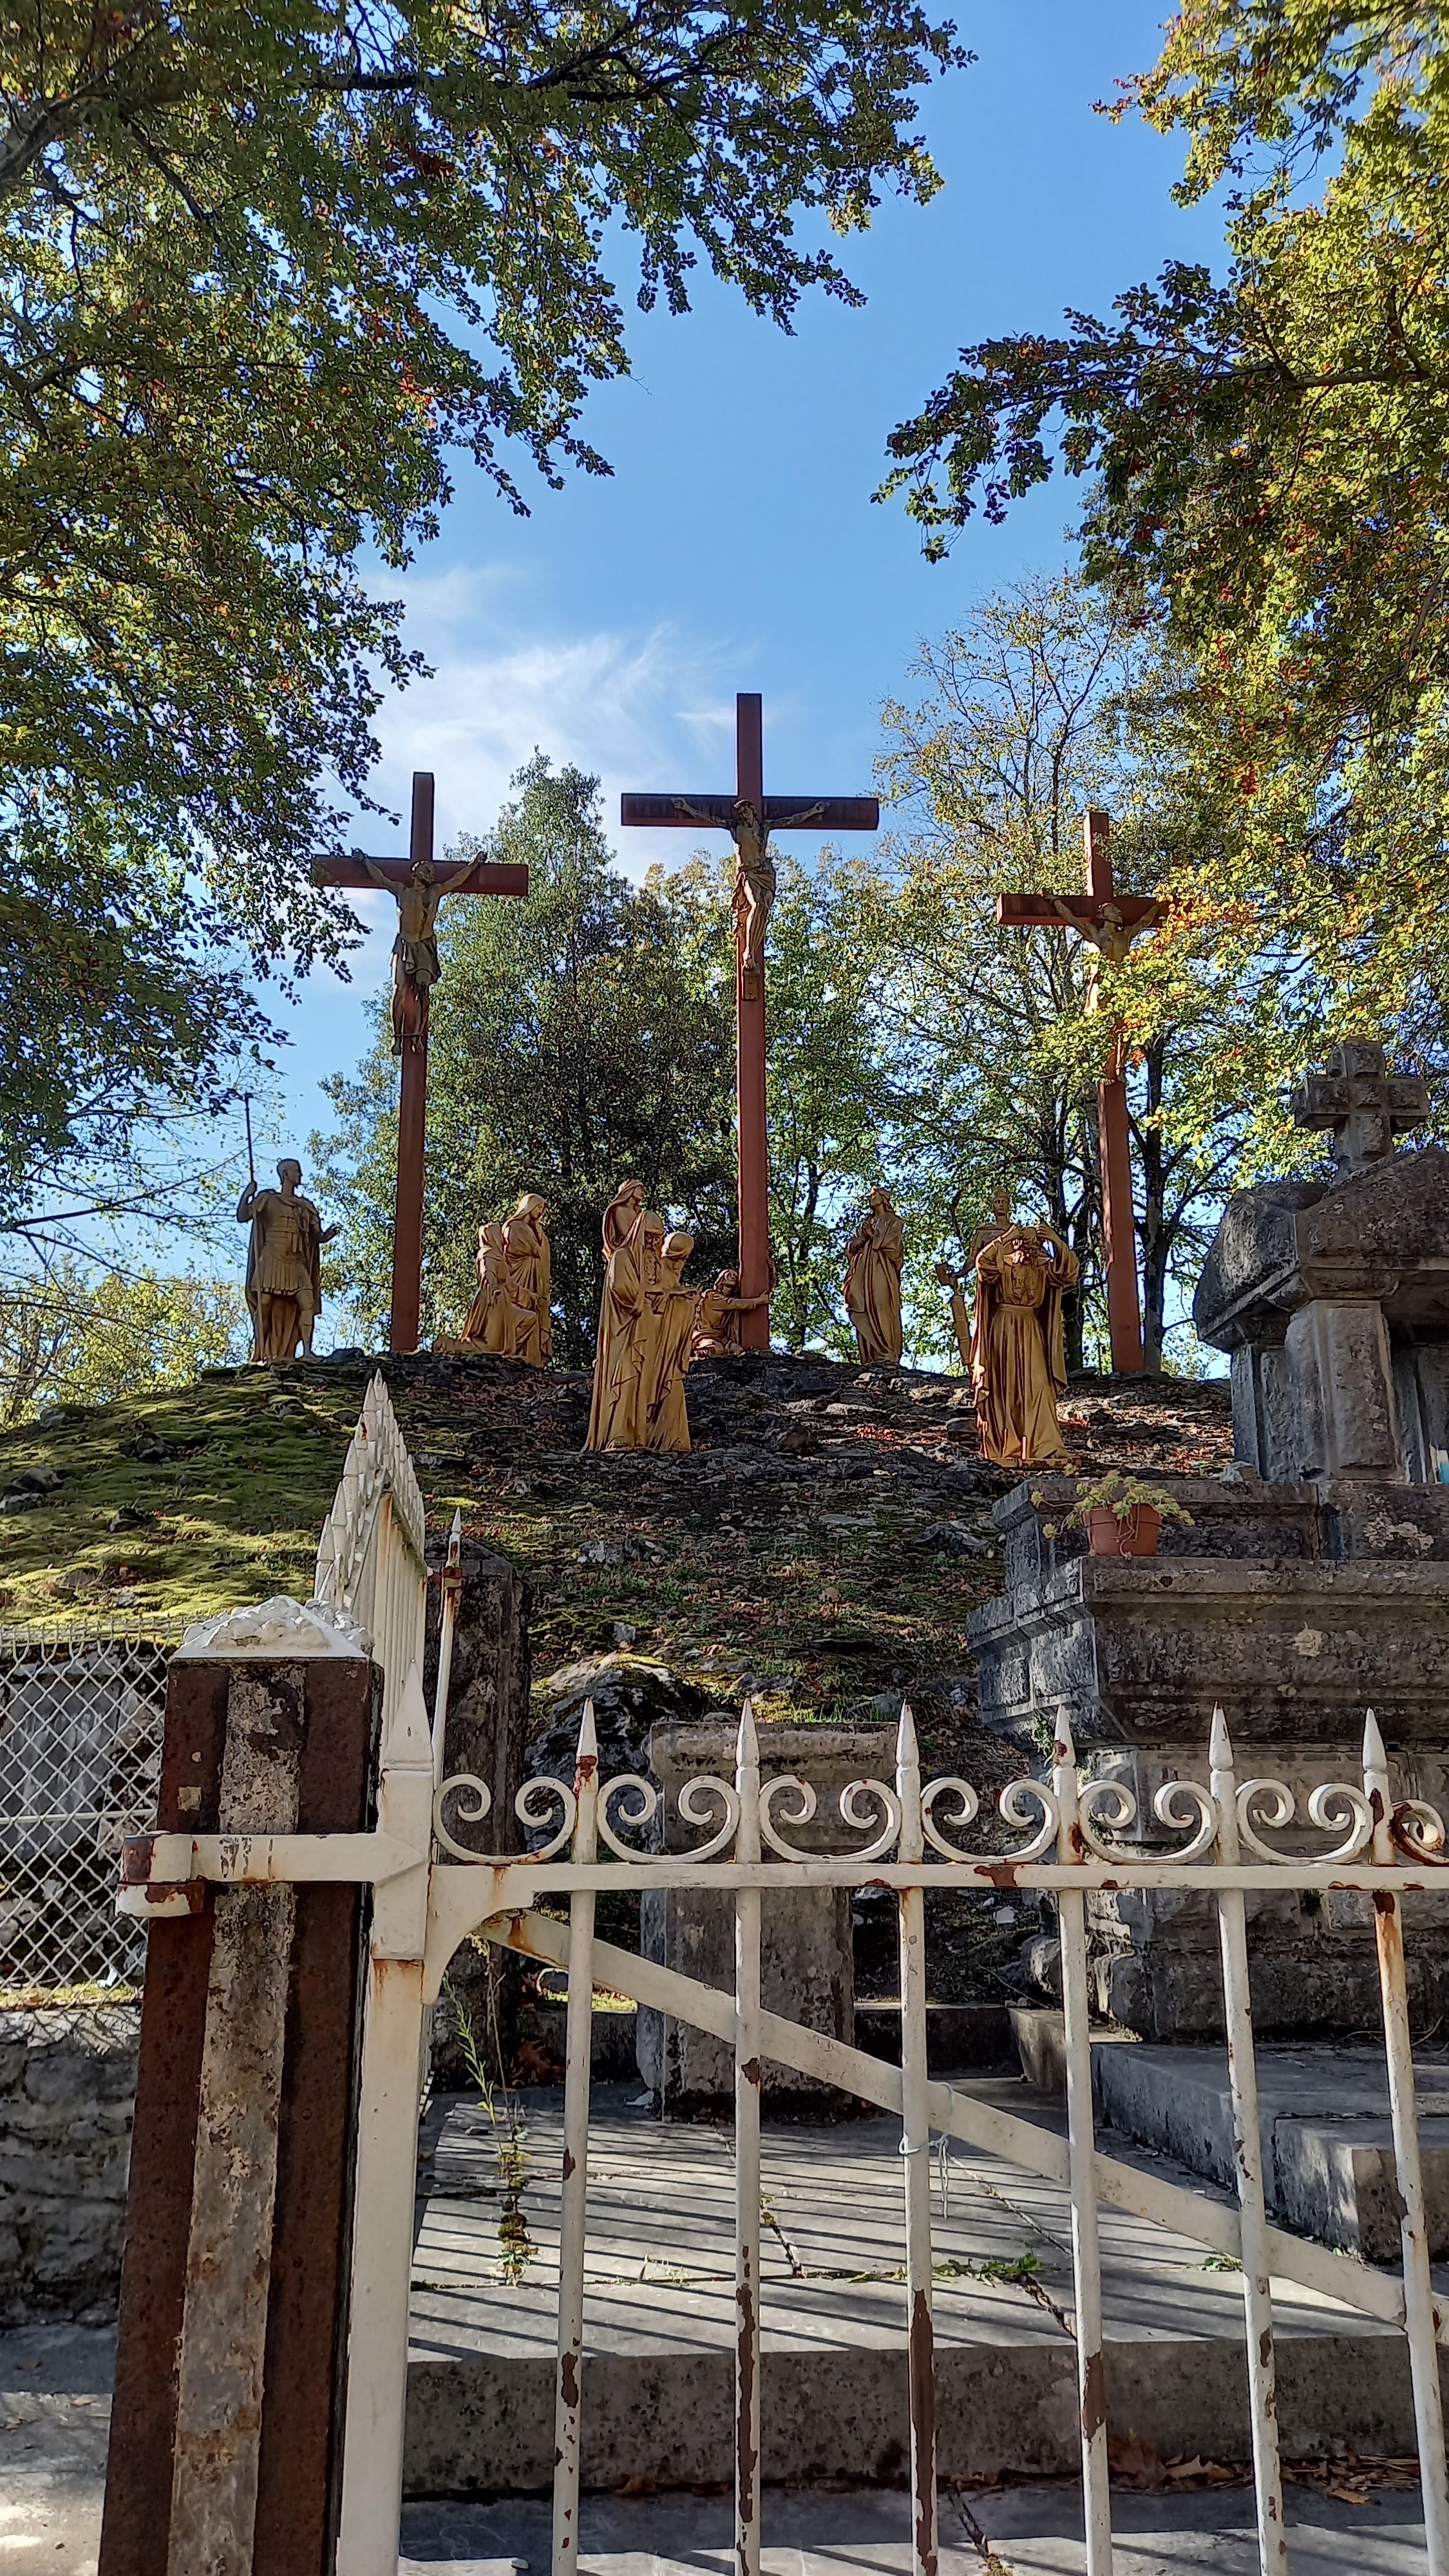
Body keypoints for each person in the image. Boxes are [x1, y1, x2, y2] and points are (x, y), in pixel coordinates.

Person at [971, 1212, 1080, 1468]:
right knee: (1005, 1386)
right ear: (1015, 1244)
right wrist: (1004, 1238)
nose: (1029, 1249)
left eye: (1035, 1244)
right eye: (1024, 1243)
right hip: (1003, 1329)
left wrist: (1056, 1240)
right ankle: (1007, 1446)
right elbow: (982, 1264)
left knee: (1039, 1385)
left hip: (1031, 1329)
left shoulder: (1043, 1268)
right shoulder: (1002, 1265)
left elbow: (1069, 1272)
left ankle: (1045, 1446)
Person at [587, 1208, 671, 1452]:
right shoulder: (622, 1257)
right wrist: (650, 1291)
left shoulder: (653, 1263)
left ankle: (639, 1435)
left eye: (657, 1238)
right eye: (649, 1236)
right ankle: (618, 1433)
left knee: (644, 1380)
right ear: (638, 1233)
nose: (653, 1243)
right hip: (624, 1331)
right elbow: (622, 1289)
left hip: (647, 1327)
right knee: (625, 1377)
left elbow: (662, 1291)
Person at [237, 1160, 336, 1361]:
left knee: (307, 1304)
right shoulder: (267, 1199)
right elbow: (243, 1216)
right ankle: (261, 1351)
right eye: (296, 1171)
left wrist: (327, 1236)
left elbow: (316, 1235)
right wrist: (247, 1195)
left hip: (296, 1261)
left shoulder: (305, 1207)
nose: (300, 1175)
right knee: (264, 1304)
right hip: (272, 1258)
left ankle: (307, 1352)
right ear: (285, 1174)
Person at [843, 1187, 905, 1365]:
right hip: (862, 1271)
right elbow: (851, 1248)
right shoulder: (866, 1223)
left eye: (874, 1195)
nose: (871, 1198)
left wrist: (874, 1236)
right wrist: (863, 1238)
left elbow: (894, 1248)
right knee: (861, 1305)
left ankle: (887, 1353)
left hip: (882, 1269)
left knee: (881, 1305)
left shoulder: (894, 1221)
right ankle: (870, 1356)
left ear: (883, 1198)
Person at [502, 1193, 553, 1367]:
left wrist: (538, 1232)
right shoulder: (514, 1226)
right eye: (538, 1208)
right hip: (519, 1275)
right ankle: (514, 1352)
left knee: (535, 1311)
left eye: (542, 1210)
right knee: (521, 1309)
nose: (540, 1213)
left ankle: (533, 1359)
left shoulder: (537, 1231)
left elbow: (542, 1251)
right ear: (528, 1207)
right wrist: (535, 1246)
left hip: (535, 1279)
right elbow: (522, 1249)